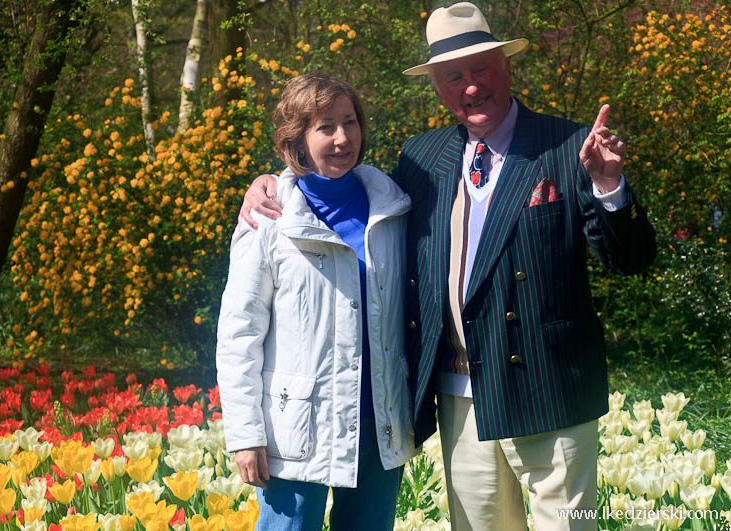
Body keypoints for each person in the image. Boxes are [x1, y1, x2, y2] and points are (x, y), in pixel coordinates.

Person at [239, 4, 657, 530]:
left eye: (481, 69)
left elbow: (631, 258)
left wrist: (609, 187)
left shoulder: (568, 146)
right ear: (437, 87)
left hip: (551, 391)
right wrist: (274, 184)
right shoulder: (420, 159)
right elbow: (339, 192)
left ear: (506, 67)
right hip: (460, 394)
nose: (471, 87)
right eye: (453, 76)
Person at [215, 72, 415, 531]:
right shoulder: (268, 219)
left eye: (350, 122)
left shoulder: (394, 207)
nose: (342, 138)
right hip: (297, 430)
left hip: (379, 423)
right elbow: (239, 333)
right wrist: (245, 435)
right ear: (297, 139)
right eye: (325, 126)